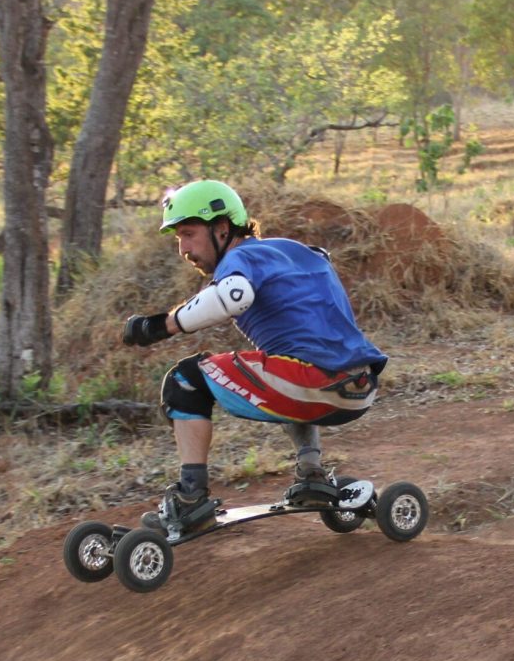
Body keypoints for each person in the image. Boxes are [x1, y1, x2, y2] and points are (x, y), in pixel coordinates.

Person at [123, 179, 387, 535]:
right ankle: (312, 471)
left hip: (314, 381)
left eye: (188, 234)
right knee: (278, 365)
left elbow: (234, 296)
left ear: (221, 228)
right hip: (358, 387)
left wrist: (161, 325)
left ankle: (190, 499)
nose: (183, 249)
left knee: (184, 380)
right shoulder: (292, 251)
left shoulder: (241, 257)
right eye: (178, 239)